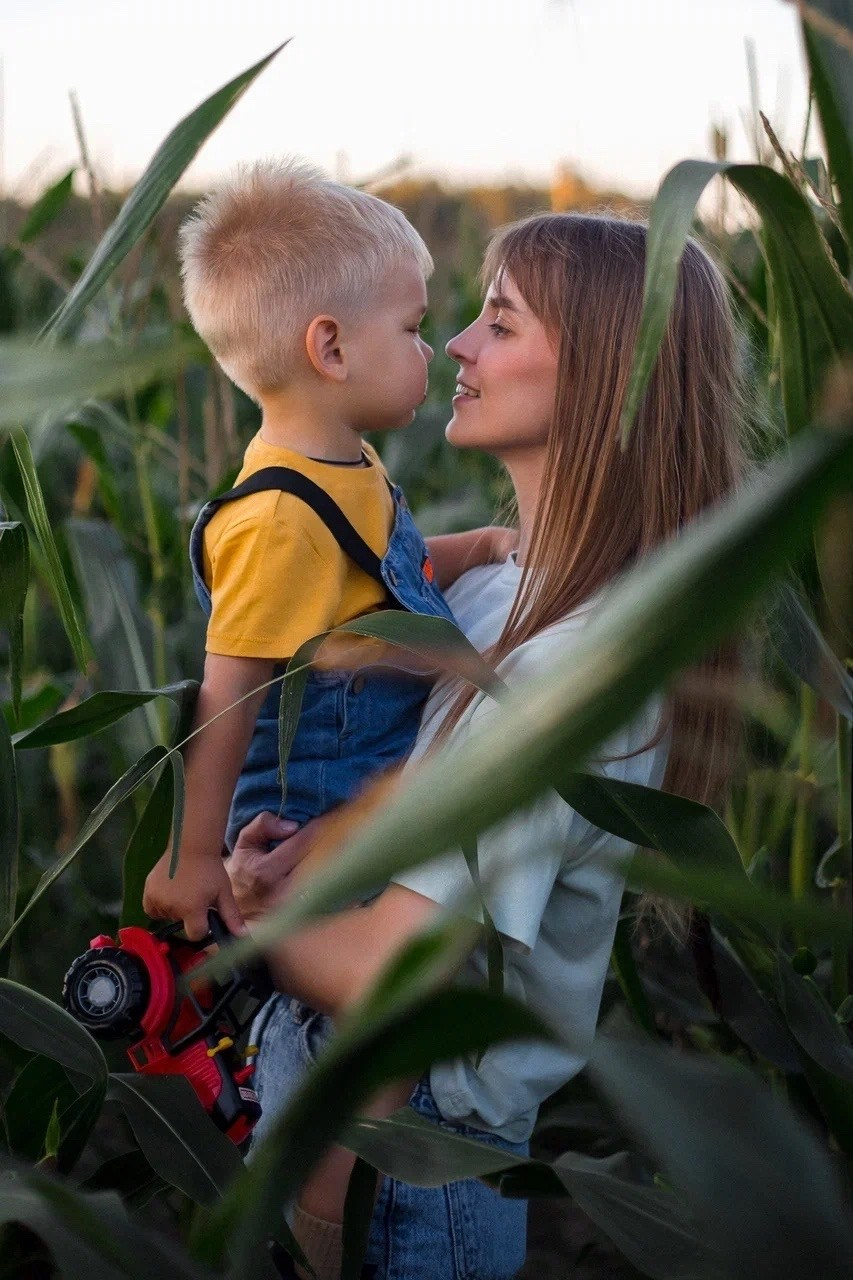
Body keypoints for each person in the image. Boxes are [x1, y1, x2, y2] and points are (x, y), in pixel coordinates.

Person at [226, 212, 749, 1280]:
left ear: (606, 374)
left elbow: (382, 970)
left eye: (499, 322)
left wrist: (240, 912)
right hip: (337, 1142)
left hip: (414, 1196)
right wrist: (283, 854)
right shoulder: (485, 593)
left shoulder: (572, 673)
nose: (456, 345)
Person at [142, 159, 513, 942]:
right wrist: (195, 850)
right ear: (332, 350)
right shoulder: (278, 516)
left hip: (369, 787)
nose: (433, 349)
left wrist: (475, 545)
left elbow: (379, 581)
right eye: (411, 329)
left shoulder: (342, 465)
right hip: (312, 809)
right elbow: (228, 693)